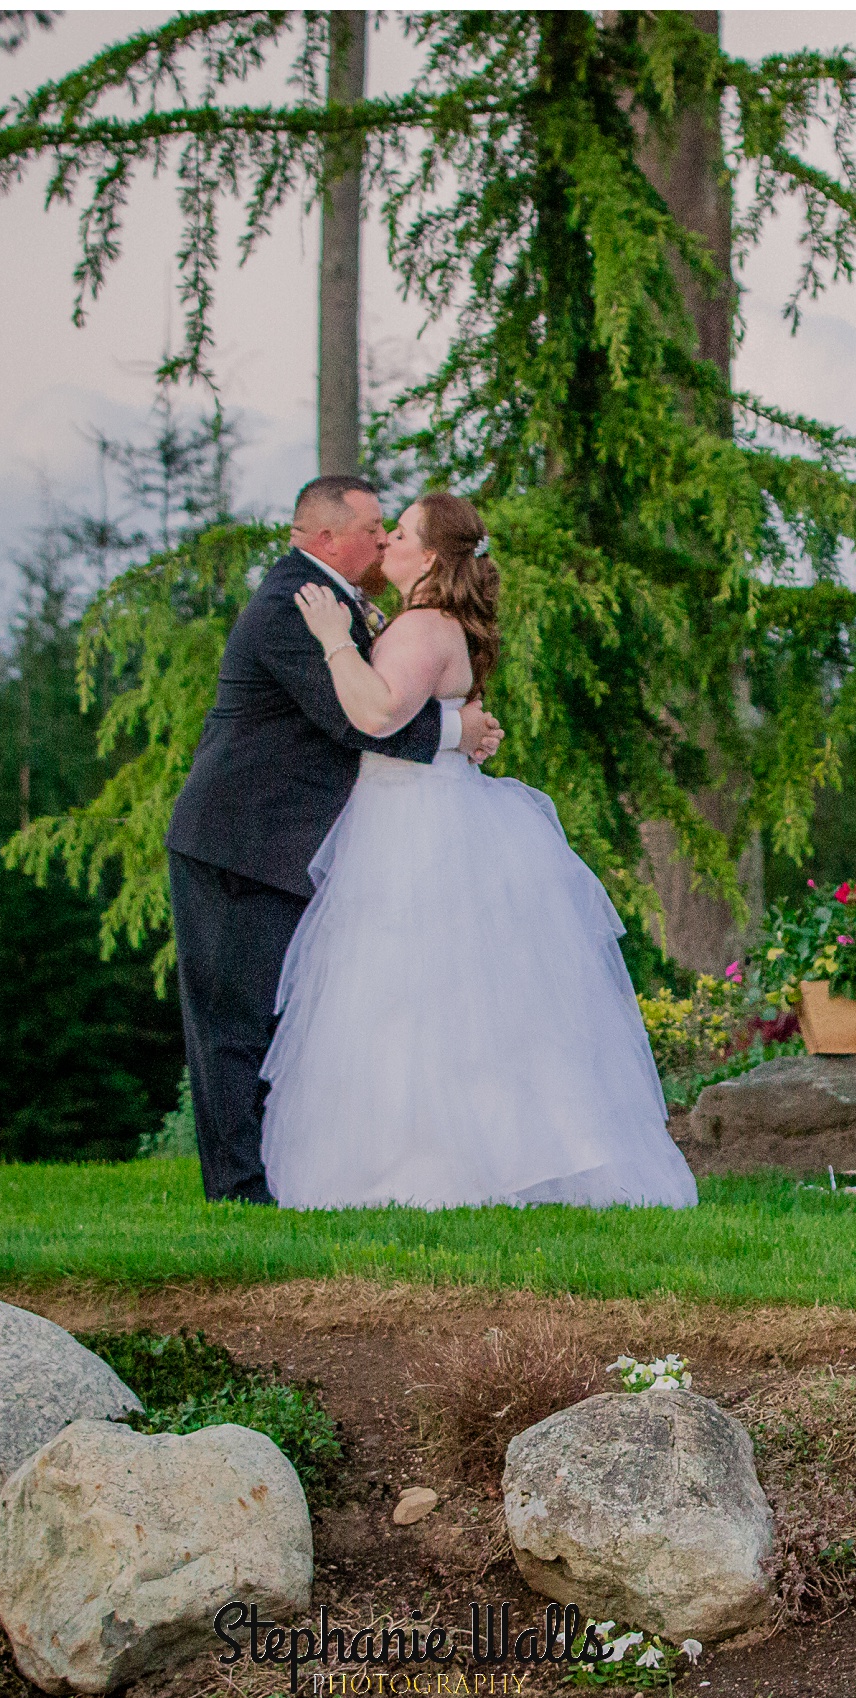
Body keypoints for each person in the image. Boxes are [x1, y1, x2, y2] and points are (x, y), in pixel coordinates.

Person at [257, 490, 697, 1211]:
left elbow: (373, 713)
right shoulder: (439, 625)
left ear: (429, 556)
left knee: (404, 994)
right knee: (448, 996)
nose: (386, 544)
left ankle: (424, 1173)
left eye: (398, 534)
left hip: (408, 826)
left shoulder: (416, 628)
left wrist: (335, 637)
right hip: (431, 808)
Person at [167, 476, 504, 1204]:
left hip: (288, 844)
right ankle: (237, 1193)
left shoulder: (340, 599)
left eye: (394, 530)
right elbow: (353, 719)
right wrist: (457, 731)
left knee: (288, 1014)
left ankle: (280, 1176)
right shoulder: (295, 603)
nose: (383, 540)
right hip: (239, 840)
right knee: (231, 1021)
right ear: (327, 539)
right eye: (374, 527)